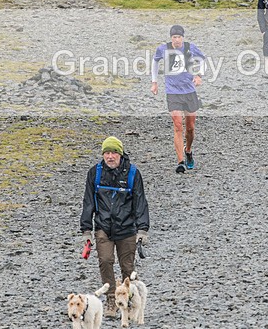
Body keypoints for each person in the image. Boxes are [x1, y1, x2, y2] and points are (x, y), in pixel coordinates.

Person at [80, 136, 150, 317]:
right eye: (107, 153)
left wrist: (142, 230)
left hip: (127, 228)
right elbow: (88, 203)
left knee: (127, 267)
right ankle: (111, 300)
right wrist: (86, 230)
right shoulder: (94, 173)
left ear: (120, 154)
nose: (110, 157)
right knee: (105, 261)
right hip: (103, 227)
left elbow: (140, 202)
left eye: (113, 153)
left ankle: (130, 300)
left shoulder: (133, 174)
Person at [151, 25, 206, 173]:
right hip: (172, 92)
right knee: (178, 126)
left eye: (179, 37)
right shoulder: (163, 49)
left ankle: (188, 150)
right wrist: (154, 82)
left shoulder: (189, 47)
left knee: (190, 128)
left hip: (189, 91)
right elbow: (155, 61)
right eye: (174, 37)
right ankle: (180, 161)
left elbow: (202, 59)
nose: (176, 40)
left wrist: (199, 75)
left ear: (183, 37)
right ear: (171, 38)